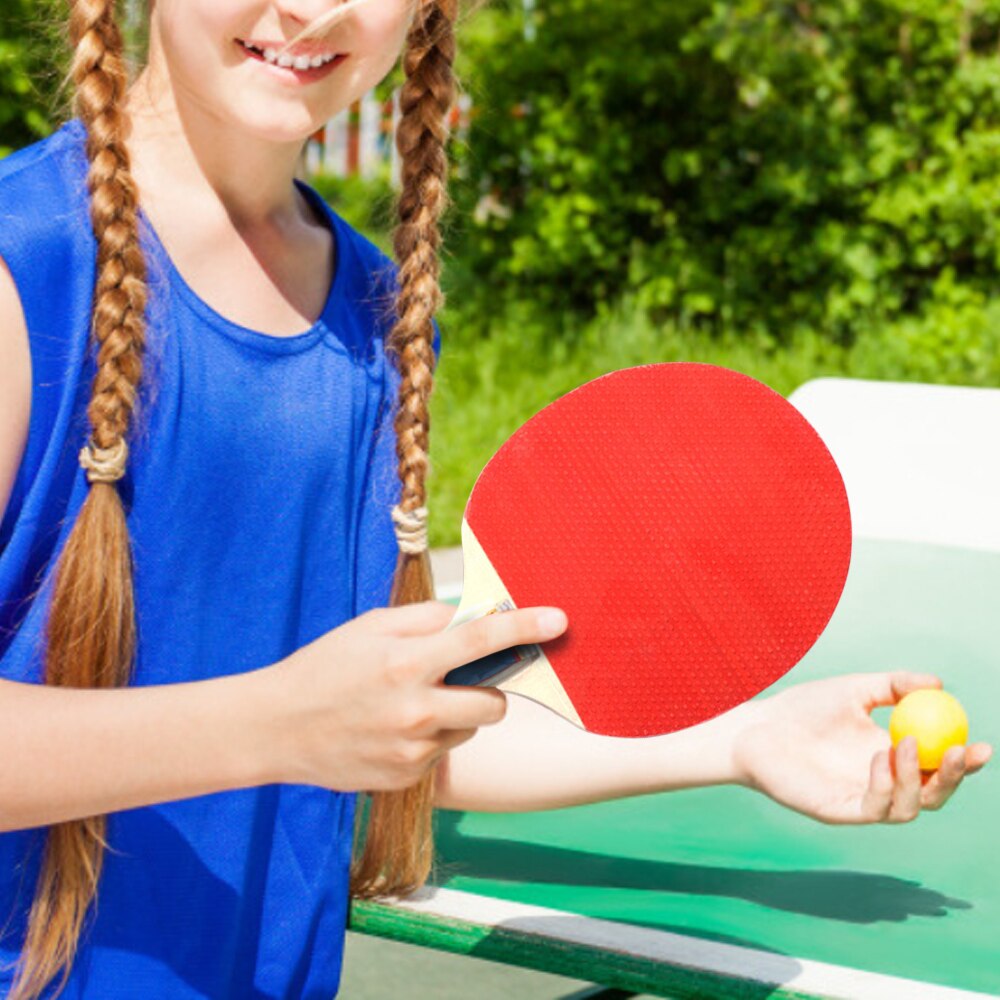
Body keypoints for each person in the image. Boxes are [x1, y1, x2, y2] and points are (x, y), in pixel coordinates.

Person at [0, 1, 992, 997]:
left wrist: (738, 740)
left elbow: (387, 727)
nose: (312, 7)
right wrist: (274, 724)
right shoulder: (22, 261)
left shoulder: (375, 316)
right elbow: (294, 721)